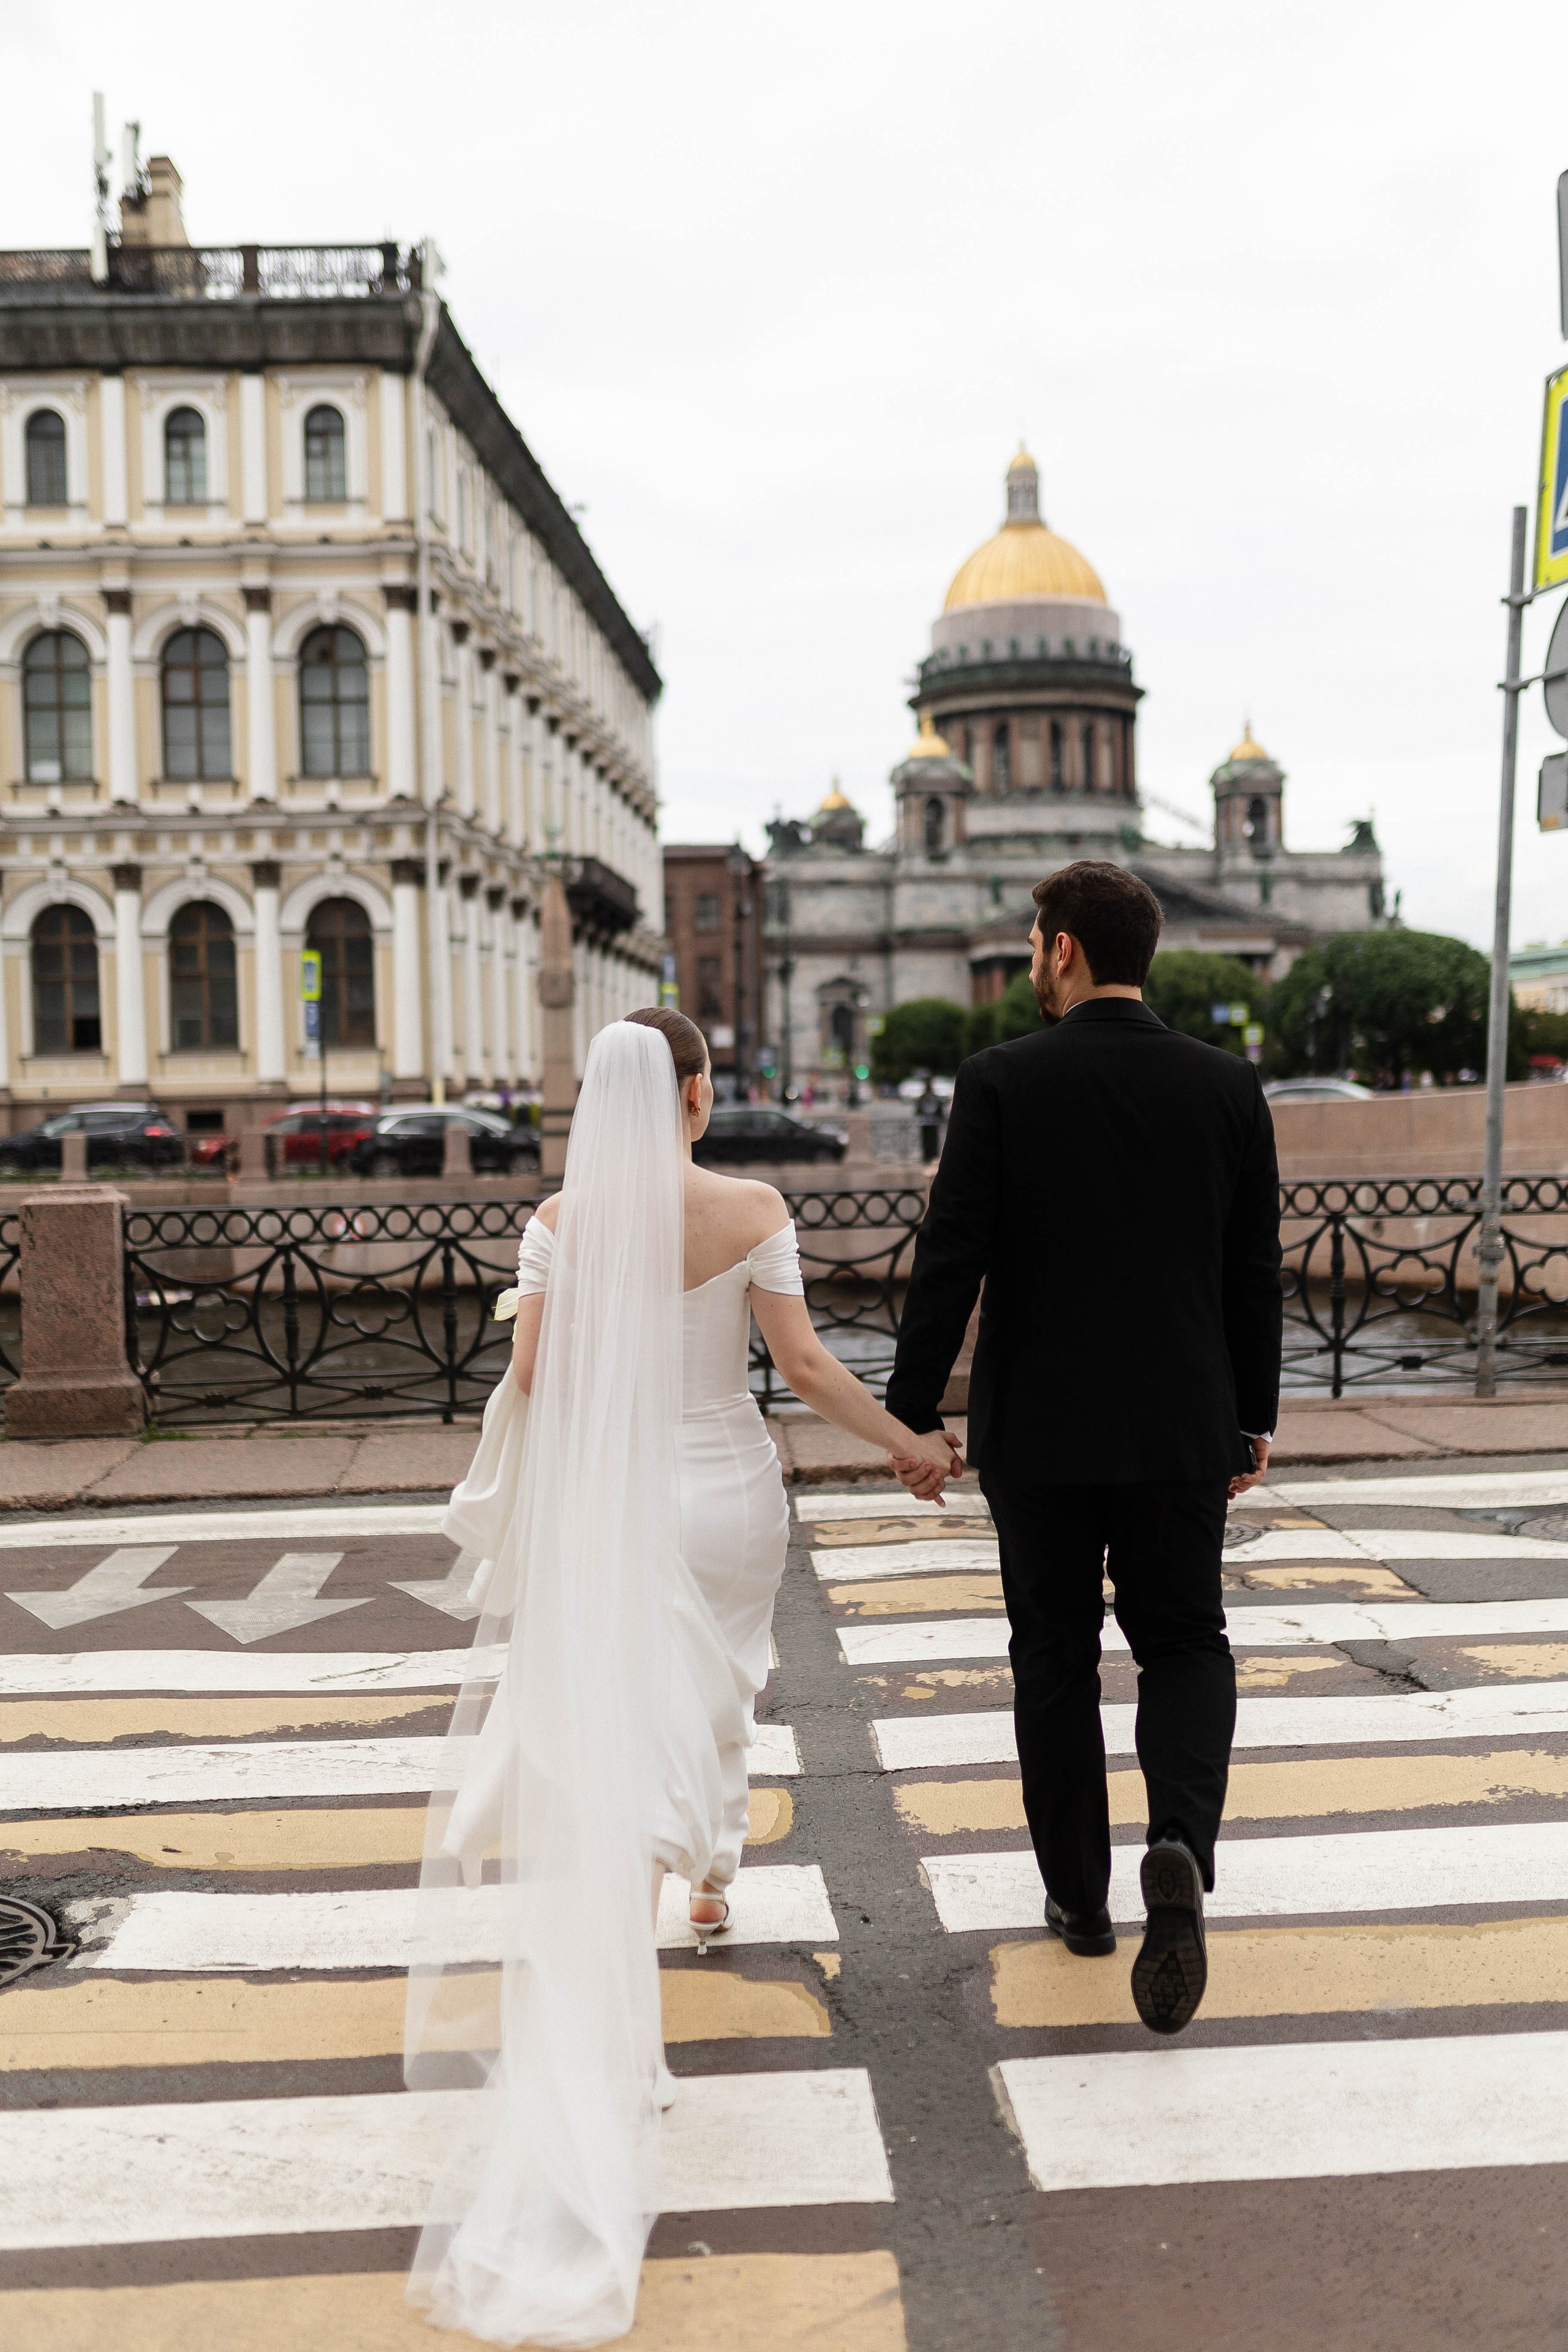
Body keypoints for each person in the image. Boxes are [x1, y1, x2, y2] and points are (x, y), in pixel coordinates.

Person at [405, 1009, 957, 2348]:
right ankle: (708, 1869)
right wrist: (905, 1442)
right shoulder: (751, 1201)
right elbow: (805, 1364)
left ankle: (643, 1960)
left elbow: (534, 1371)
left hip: (619, 1497)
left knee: (634, 1701)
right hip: (724, 1492)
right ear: (698, 1093)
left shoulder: (558, 1223)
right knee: (725, 1683)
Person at [884, 861, 1281, 2037]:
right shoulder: (1227, 1085)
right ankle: (1178, 1846)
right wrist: (1250, 1415)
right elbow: (1250, 1269)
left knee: (1051, 1657)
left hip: (1040, 1430)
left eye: (1033, 944)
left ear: (1059, 950)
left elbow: (950, 1257)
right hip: (1179, 1422)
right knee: (1186, 1642)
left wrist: (915, 1413)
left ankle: (1081, 1899)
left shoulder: (1001, 1079)